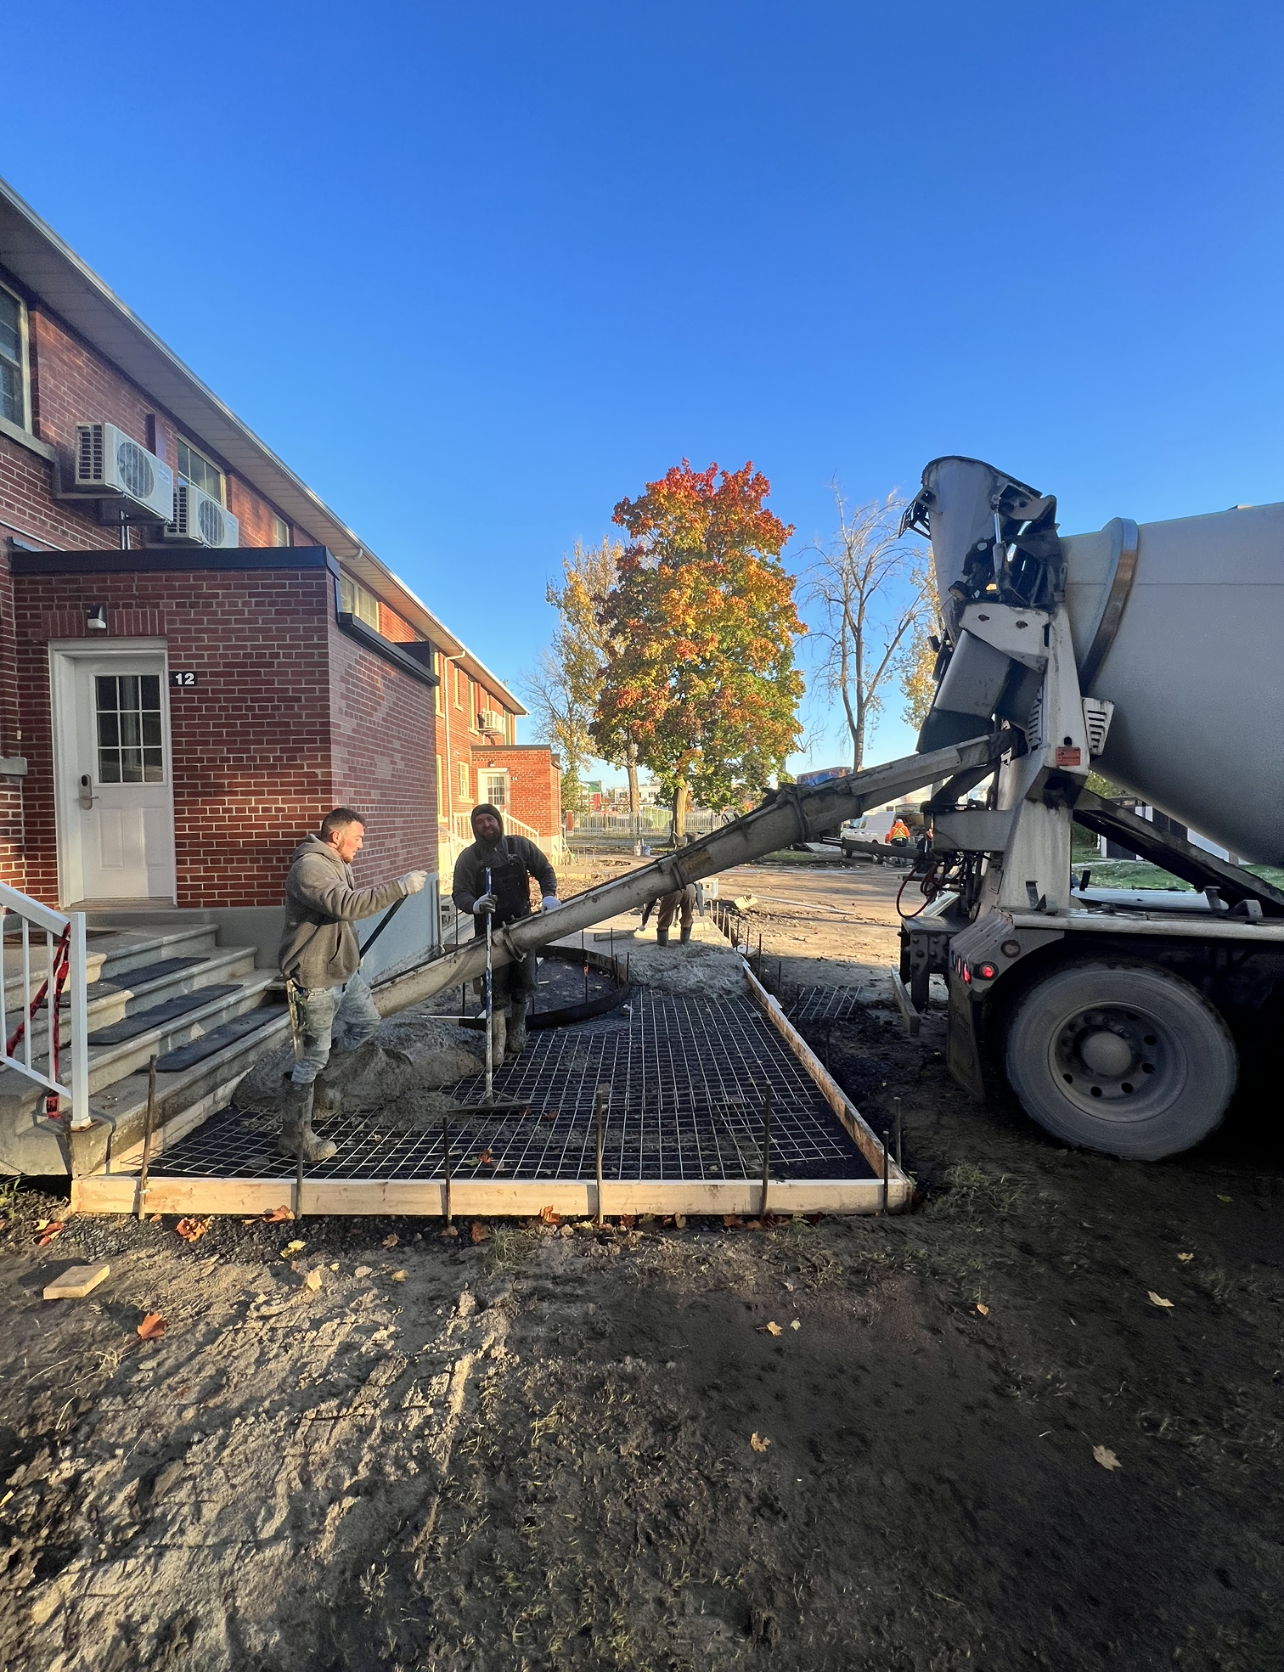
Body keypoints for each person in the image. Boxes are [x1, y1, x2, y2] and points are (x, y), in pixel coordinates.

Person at [278, 807, 428, 1162]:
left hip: (343, 972)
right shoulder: (310, 868)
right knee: (311, 1055)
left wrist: (351, 951)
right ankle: (294, 1136)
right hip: (314, 977)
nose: (361, 845)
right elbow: (346, 906)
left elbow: (343, 923)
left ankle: (320, 1081)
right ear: (336, 836)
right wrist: (398, 887)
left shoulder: (338, 864)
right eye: (357, 838)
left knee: (366, 1022)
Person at [452, 803, 560, 1063]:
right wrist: (474, 904)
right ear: (474, 827)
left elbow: (544, 870)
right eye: (480, 822)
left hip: (522, 927)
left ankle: (518, 1029)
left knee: (525, 980)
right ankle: (498, 1038)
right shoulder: (469, 858)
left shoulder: (519, 847)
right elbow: (460, 893)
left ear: (498, 821)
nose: (486, 825)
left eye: (490, 820)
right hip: (489, 932)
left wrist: (548, 895)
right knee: (494, 986)